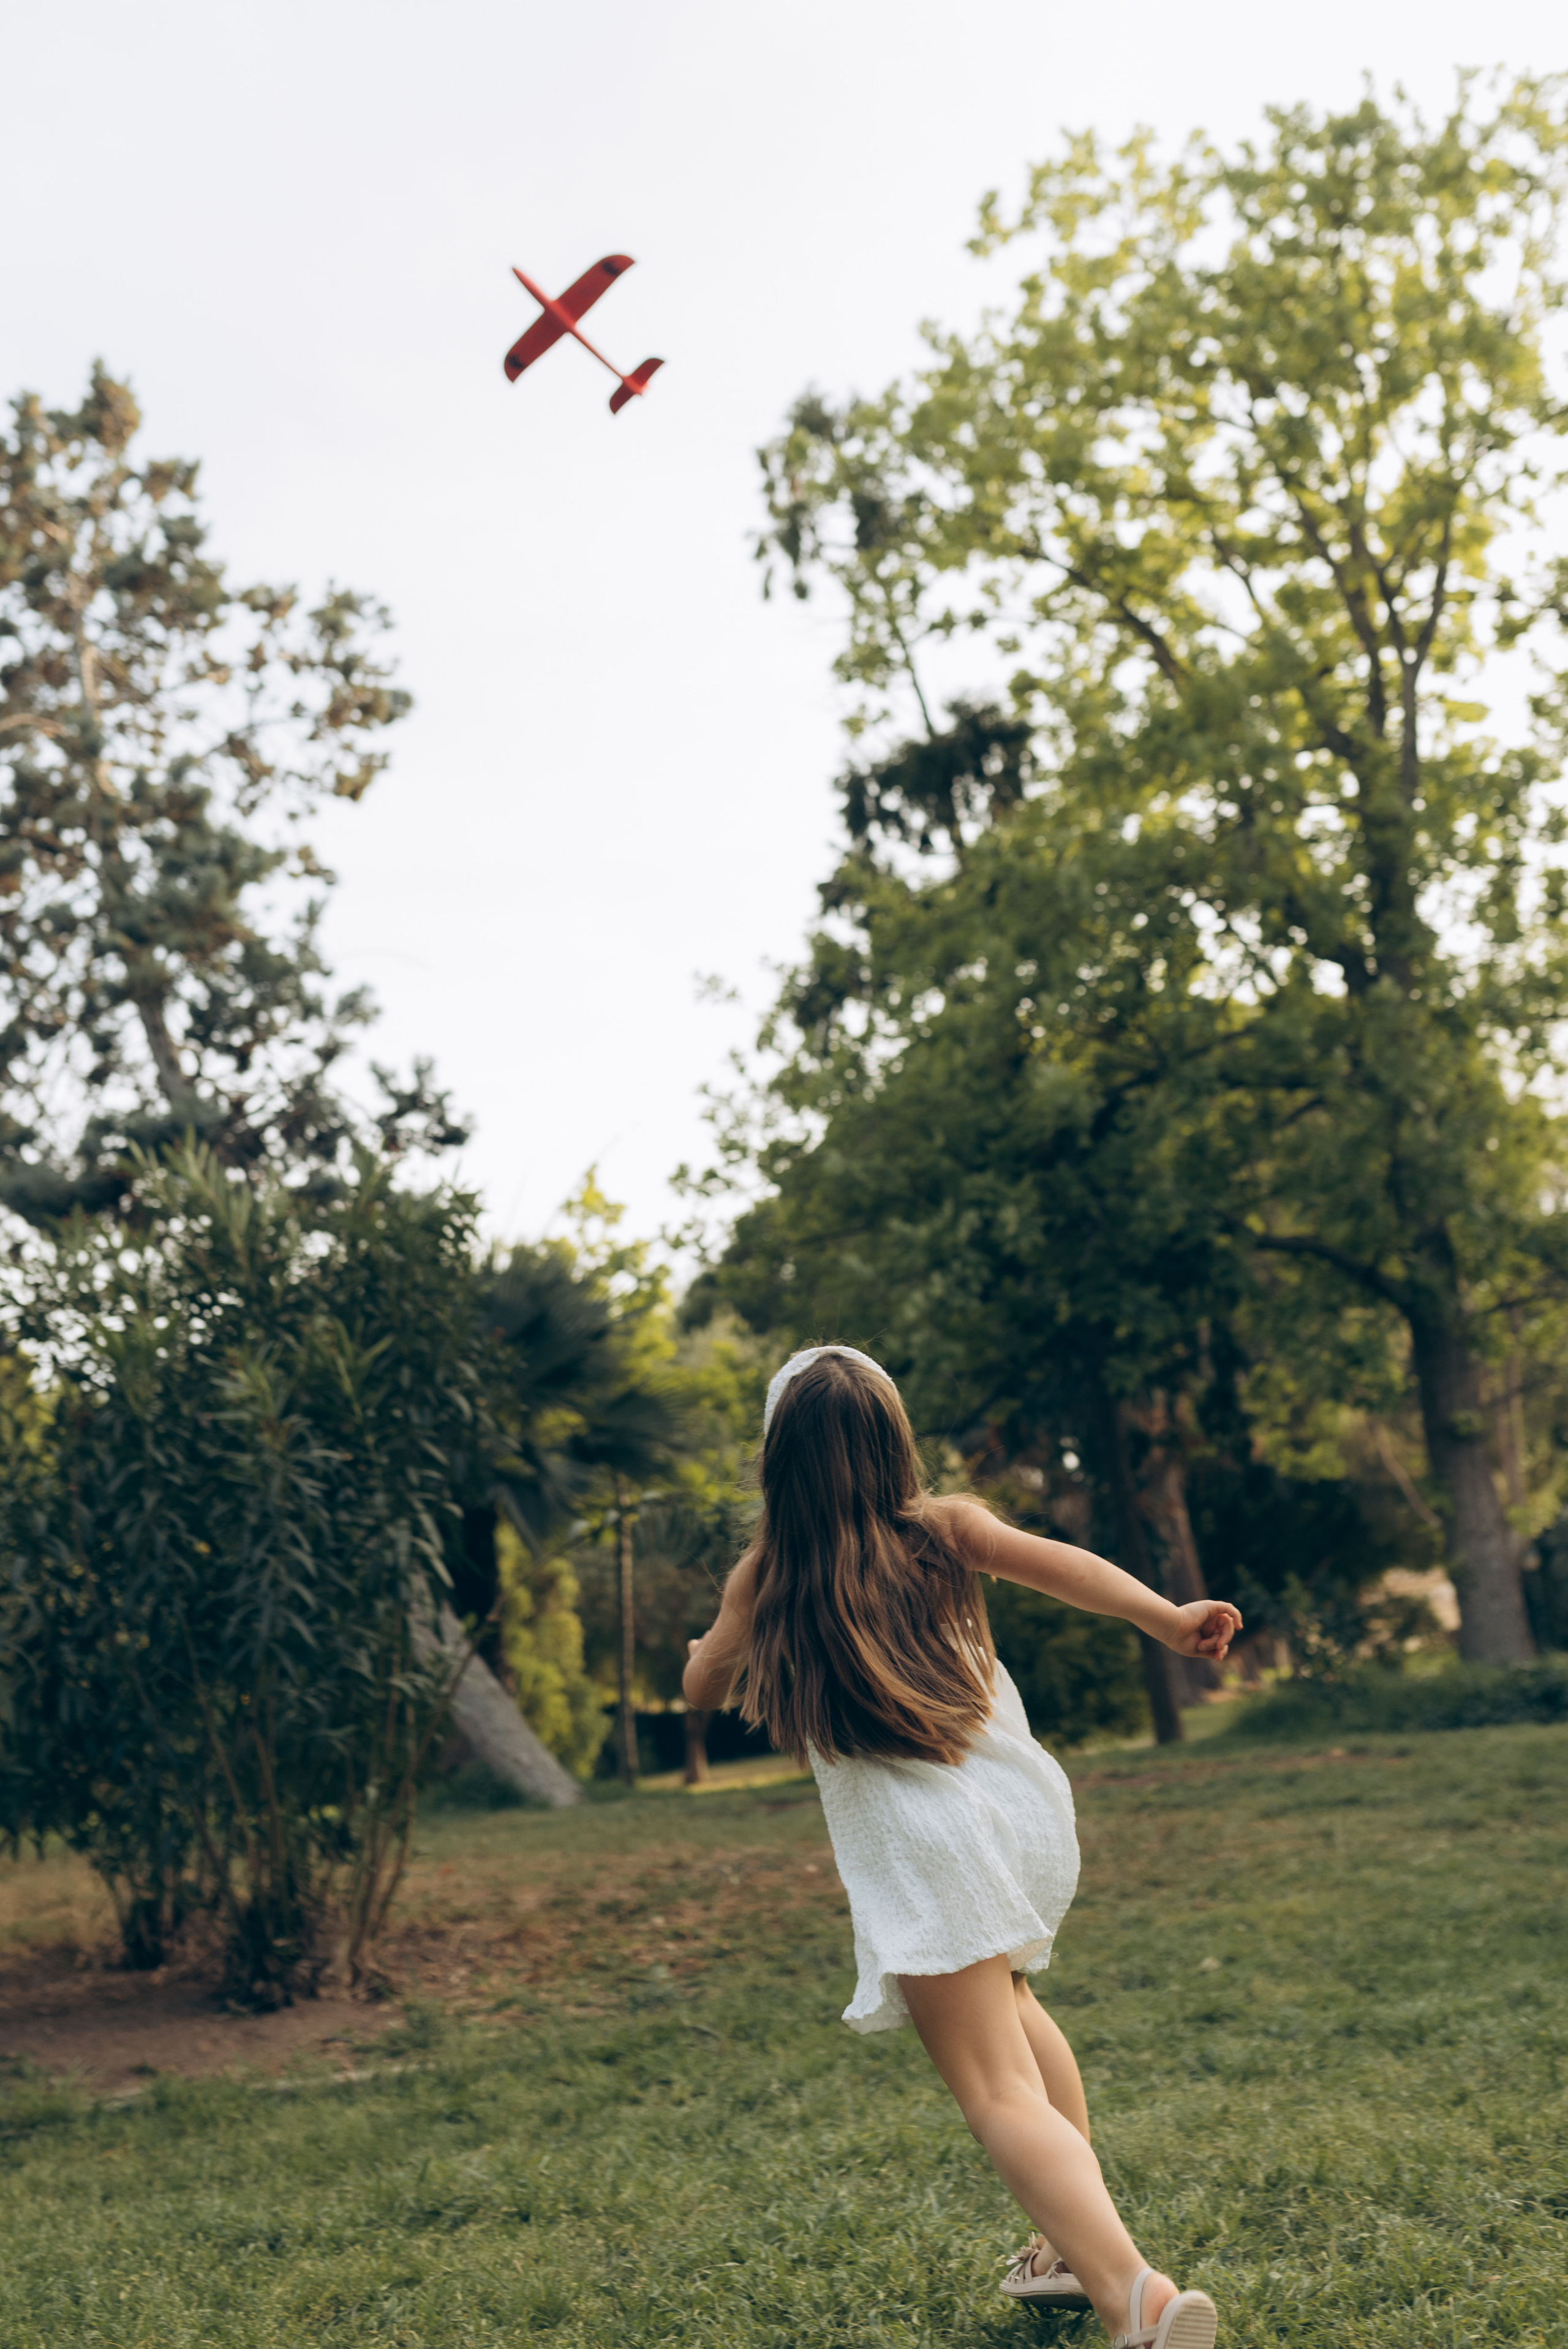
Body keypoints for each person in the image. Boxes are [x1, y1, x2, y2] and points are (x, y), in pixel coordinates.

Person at [684, 1345, 1242, 2349]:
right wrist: (1168, 1617)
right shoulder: (942, 1530)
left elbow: (700, 1690)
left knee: (994, 2090)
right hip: (1015, 1811)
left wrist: (706, 1652)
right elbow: (1062, 1564)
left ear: (780, 1465)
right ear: (893, 1444)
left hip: (927, 1846)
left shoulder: (769, 1574)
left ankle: (1136, 2298)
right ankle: (1067, 2252)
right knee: (1018, 2012)